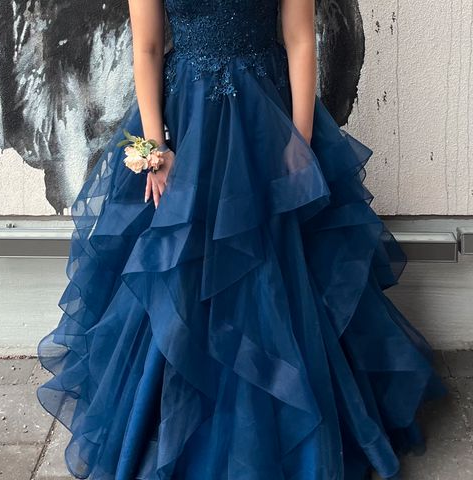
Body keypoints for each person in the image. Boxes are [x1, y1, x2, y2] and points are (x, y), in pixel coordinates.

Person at [36, 0, 448, 478]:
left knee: (279, 263)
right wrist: (155, 148)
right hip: (187, 123)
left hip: (264, 119)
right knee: (178, 263)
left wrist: (299, 141)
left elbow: (300, 39)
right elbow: (146, 47)